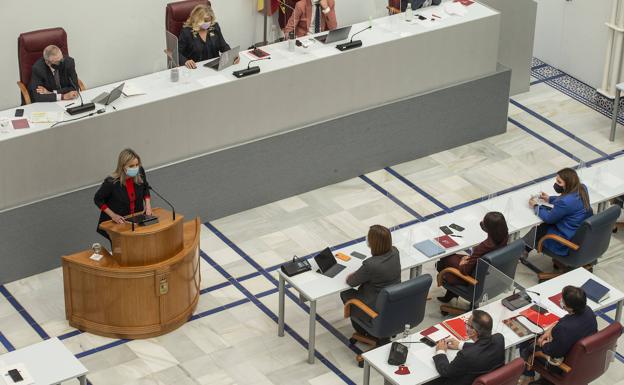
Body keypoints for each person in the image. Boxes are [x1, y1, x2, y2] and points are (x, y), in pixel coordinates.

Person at [518, 286, 597, 385]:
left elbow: (554, 352)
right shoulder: (588, 311)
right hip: (581, 360)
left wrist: (543, 342)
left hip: (560, 364)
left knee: (525, 345)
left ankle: (528, 377)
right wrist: (549, 330)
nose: (561, 300)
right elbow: (566, 318)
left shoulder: (564, 328)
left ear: (570, 307)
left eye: (562, 299)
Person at [340, 225, 401, 343]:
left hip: (374, 307)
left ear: (373, 242)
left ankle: (363, 330)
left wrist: (354, 275)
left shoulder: (371, 265)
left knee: (346, 294)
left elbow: (351, 282)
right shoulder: (395, 252)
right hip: (393, 302)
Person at [436, 212, 509, 303]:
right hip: (491, 275)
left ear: (488, 228)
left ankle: (451, 291)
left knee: (443, 262)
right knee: (448, 259)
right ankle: (451, 294)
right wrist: (471, 258)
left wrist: (463, 262)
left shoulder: (484, 246)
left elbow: (465, 270)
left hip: (475, 279)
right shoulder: (505, 236)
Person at [525, 168, 593, 257]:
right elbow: (569, 201)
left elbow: (549, 219)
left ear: (568, 184)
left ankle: (522, 250)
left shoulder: (565, 202)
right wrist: (549, 199)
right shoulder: (582, 188)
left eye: (559, 182)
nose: (556, 184)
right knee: (542, 227)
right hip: (577, 232)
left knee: (539, 229)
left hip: (565, 239)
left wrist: (535, 206)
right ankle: (524, 249)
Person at [425, 310, 505, 385]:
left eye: (467, 324)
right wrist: (460, 345)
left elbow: (446, 372)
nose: (465, 325)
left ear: (473, 332)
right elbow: (483, 346)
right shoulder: (499, 339)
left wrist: (440, 351)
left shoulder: (465, 356)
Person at [93, 149, 153, 240]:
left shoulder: (140, 172)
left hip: (136, 219)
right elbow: (98, 199)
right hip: (118, 222)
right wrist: (113, 215)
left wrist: (148, 206)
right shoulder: (111, 182)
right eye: (131, 166)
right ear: (123, 166)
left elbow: (145, 187)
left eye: (137, 165)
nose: (135, 168)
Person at [178, 4, 239, 69]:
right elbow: (177, 53)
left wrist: (232, 55)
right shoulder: (186, 32)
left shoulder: (214, 27)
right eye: (205, 20)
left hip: (214, 67)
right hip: (195, 68)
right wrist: (185, 61)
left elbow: (223, 46)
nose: (208, 23)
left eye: (209, 20)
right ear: (197, 19)